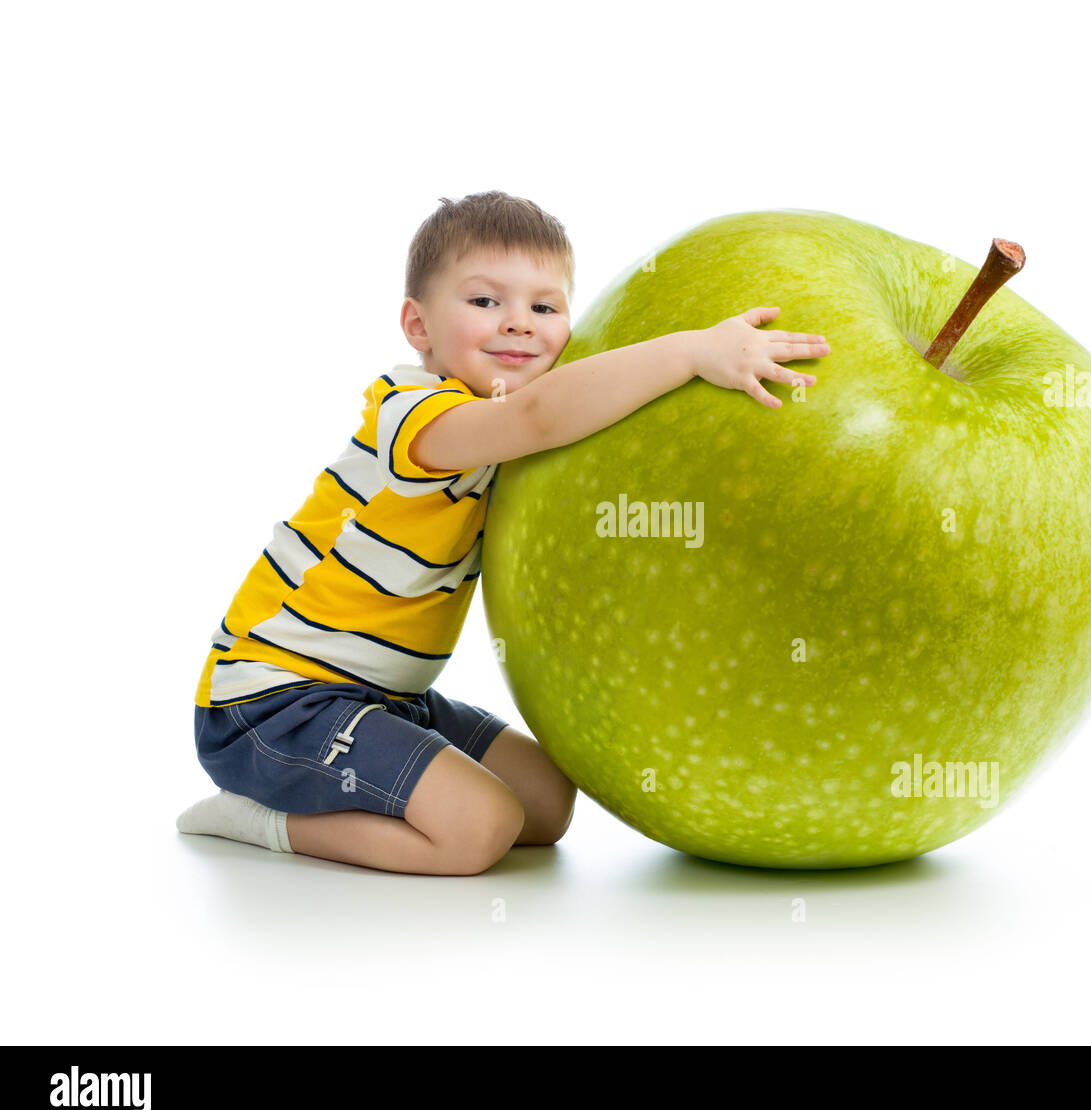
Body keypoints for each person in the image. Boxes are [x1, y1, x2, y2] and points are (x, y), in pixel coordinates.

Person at [176, 189, 829, 875]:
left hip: (388, 696)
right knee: (477, 833)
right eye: (486, 302)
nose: (519, 325)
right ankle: (263, 821)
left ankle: (357, 788)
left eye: (544, 308)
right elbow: (542, 417)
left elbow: (555, 419)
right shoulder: (416, 416)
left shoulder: (505, 445)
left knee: (545, 804)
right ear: (418, 325)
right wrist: (693, 353)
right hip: (271, 703)